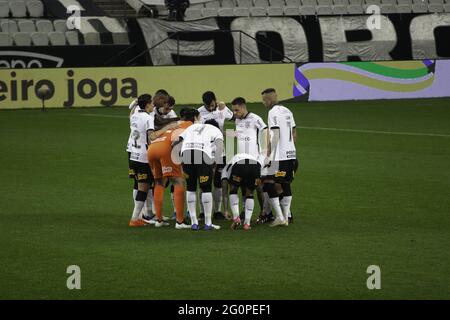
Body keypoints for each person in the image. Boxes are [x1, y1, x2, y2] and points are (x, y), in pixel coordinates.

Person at [147, 108, 197, 229]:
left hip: (152, 149)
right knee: (178, 181)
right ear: (194, 118)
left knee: (159, 182)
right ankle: (180, 222)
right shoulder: (191, 125)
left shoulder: (174, 124)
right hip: (166, 149)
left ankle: (158, 220)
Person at [172, 119, 224, 231]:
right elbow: (220, 146)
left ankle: (194, 223)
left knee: (190, 188)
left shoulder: (192, 127)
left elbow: (175, 142)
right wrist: (215, 161)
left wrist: (179, 159)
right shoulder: (216, 130)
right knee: (206, 188)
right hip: (202, 155)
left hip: (186, 154)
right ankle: (208, 223)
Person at [261, 88, 297, 227]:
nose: (264, 103)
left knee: (269, 182)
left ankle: (280, 217)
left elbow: (274, 134)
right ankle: (286, 217)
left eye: (264, 100)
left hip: (279, 156)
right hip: (291, 155)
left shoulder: (273, 112)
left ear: (268, 100)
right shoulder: (288, 110)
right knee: (285, 183)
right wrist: (290, 148)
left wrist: (269, 153)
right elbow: (294, 132)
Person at [230, 97, 268, 221]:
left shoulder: (255, 119)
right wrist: (224, 133)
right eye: (233, 111)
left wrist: (265, 154)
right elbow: (239, 135)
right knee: (242, 185)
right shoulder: (237, 120)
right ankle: (244, 211)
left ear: (243, 107)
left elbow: (266, 132)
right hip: (241, 159)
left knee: (258, 187)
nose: (234, 113)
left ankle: (264, 212)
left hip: (255, 158)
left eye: (236, 110)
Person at [197, 91, 233, 220]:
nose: (210, 107)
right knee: (204, 182)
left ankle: (217, 211)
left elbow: (235, 117)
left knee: (218, 183)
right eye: (208, 106)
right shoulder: (199, 113)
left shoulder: (222, 109)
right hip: (205, 152)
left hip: (220, 151)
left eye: (212, 104)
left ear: (215, 100)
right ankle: (202, 211)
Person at [126, 94, 155, 227]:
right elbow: (151, 136)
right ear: (148, 104)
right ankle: (135, 218)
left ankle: (138, 217)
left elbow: (130, 114)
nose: (153, 105)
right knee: (144, 187)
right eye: (152, 103)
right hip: (143, 156)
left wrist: (134, 104)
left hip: (132, 154)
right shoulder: (148, 118)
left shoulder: (134, 115)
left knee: (138, 184)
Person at [221, 153, 263, 230]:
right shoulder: (249, 156)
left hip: (239, 165)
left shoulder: (225, 169)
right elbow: (260, 189)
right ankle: (247, 224)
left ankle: (236, 217)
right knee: (249, 193)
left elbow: (224, 187)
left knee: (233, 189)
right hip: (255, 166)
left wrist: (226, 210)